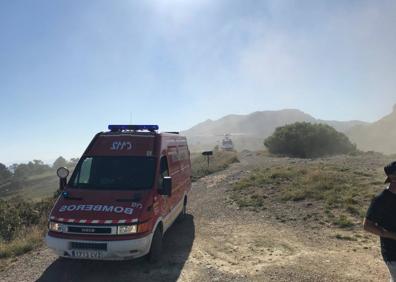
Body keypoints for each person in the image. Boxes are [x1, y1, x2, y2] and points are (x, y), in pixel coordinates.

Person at [364, 161, 396, 281]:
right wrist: (392, 235)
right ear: (392, 178)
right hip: (393, 253)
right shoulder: (381, 200)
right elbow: (367, 225)